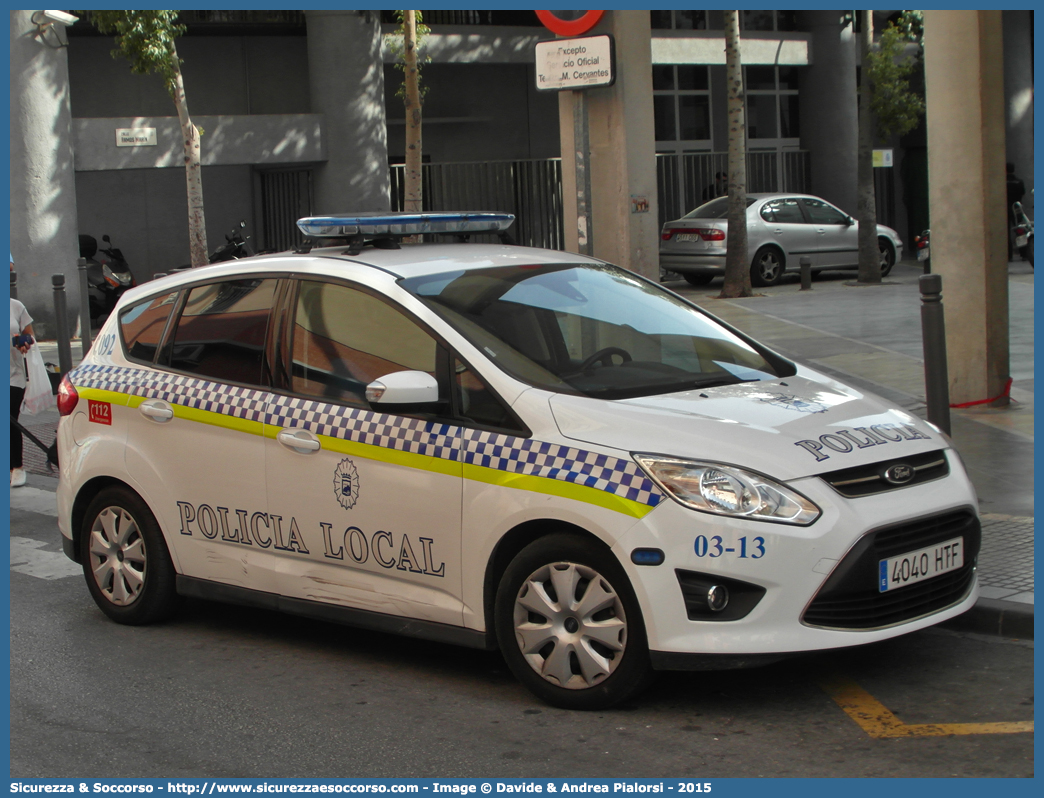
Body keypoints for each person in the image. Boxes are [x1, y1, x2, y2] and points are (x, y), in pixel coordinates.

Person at [10, 255, 35, 488]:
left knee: (10, 421)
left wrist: (24, 341)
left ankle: (16, 466)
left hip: (13, 375)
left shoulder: (16, 307)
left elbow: (30, 336)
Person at [1007, 163, 1026, 260]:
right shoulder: (1019, 181)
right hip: (1017, 209)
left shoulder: (1002, 182)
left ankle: (1008, 255)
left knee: (1006, 233)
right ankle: (1024, 253)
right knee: (1020, 231)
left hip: (1005, 209)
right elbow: (1023, 192)